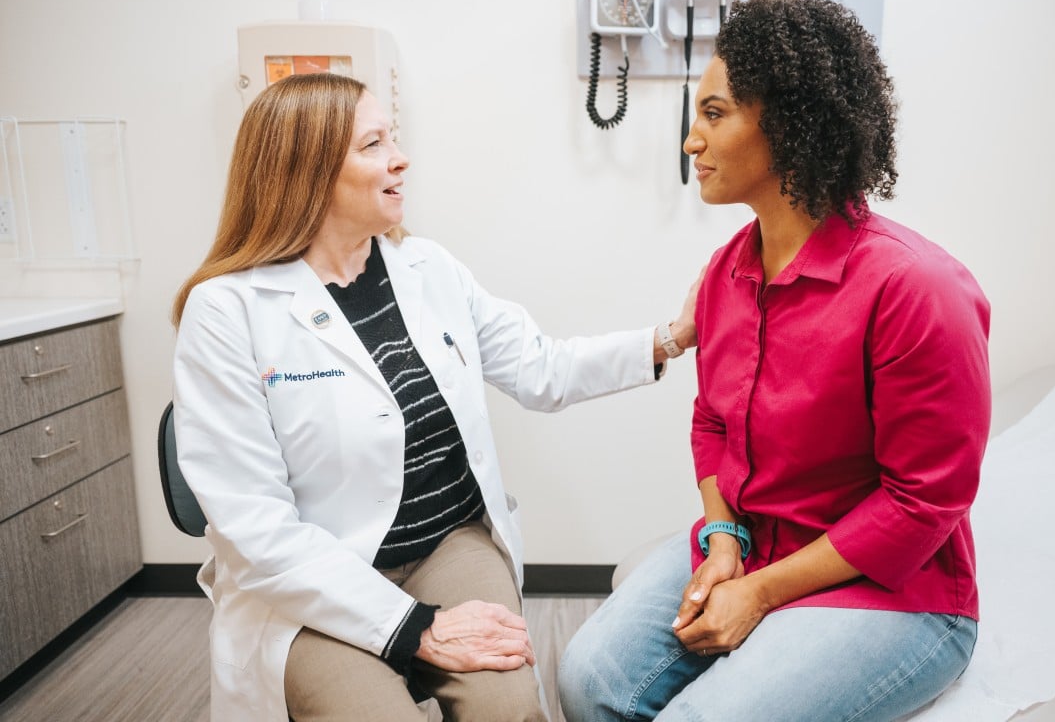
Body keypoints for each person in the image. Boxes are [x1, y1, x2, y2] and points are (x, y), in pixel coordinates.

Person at [170, 72, 698, 722]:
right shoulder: (227, 311)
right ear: (306, 170)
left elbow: (541, 368)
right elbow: (256, 529)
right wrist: (412, 627)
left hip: (450, 544)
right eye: (373, 144)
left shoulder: (428, 268)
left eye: (392, 138)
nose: (400, 158)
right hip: (314, 579)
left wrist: (670, 338)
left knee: (508, 707)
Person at [559, 0, 991, 722]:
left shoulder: (917, 289)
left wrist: (758, 592)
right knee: (587, 679)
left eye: (715, 113)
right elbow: (712, 422)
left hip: (895, 591)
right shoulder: (730, 270)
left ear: (788, 125)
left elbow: (924, 504)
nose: (690, 141)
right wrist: (724, 537)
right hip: (755, 540)